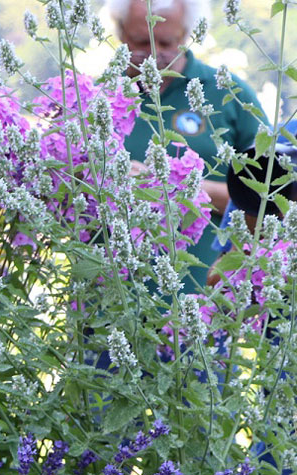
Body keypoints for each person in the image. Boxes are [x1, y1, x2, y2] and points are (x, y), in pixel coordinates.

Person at [108, 0, 265, 288]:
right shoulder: (95, 99)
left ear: (186, 35)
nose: (153, 55)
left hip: (201, 299)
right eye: (141, 41)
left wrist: (163, 184)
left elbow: (271, 200)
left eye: (165, 42)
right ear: (119, 34)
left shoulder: (228, 94)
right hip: (107, 301)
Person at [207, 128, 297, 475]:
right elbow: (217, 277)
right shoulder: (271, 149)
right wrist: (264, 251)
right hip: (281, 377)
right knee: (277, 474)